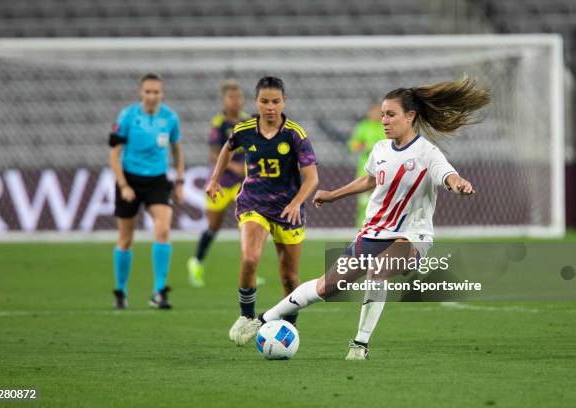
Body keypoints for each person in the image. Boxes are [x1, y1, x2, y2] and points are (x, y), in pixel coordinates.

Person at [234, 76, 491, 358]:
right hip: (372, 233)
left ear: (410, 116)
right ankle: (263, 319)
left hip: (412, 237)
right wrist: (334, 195)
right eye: (382, 114)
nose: (384, 120)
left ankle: (359, 345)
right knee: (325, 286)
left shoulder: (427, 152)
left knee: (378, 270)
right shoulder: (380, 148)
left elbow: (448, 175)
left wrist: (459, 184)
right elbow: (369, 180)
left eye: (391, 115)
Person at [205, 76, 319, 345]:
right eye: (264, 101)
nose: (270, 107)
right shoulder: (244, 129)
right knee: (250, 258)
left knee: (289, 276)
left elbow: (312, 178)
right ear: (256, 102)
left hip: (288, 209)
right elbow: (227, 148)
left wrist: (295, 203)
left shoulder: (294, 134)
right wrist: (215, 178)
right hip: (253, 204)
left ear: (284, 102)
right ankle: (246, 316)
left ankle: (288, 328)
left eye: (275, 101)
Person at [108, 72, 185, 310]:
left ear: (162, 94)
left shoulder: (170, 118)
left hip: (157, 181)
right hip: (129, 179)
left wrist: (180, 181)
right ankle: (121, 291)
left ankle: (159, 292)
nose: (152, 96)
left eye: (156, 92)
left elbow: (177, 151)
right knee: (125, 238)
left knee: (162, 229)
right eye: (148, 92)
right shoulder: (128, 116)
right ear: (141, 93)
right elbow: (114, 153)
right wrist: (123, 185)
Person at [187, 80, 250, 288]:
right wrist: (233, 167)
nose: (236, 101)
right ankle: (196, 261)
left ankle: (249, 268)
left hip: (242, 183)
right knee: (213, 226)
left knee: (249, 225)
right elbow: (214, 153)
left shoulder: (247, 121)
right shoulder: (219, 123)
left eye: (239, 97)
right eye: (231, 97)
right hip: (222, 181)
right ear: (224, 100)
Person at [348, 101, 385, 226]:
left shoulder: (386, 126)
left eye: (379, 112)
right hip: (366, 168)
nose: (376, 114)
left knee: (382, 198)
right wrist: (365, 146)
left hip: (385, 168)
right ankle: (362, 225)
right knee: (364, 199)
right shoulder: (363, 127)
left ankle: (380, 225)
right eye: (373, 111)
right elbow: (353, 145)